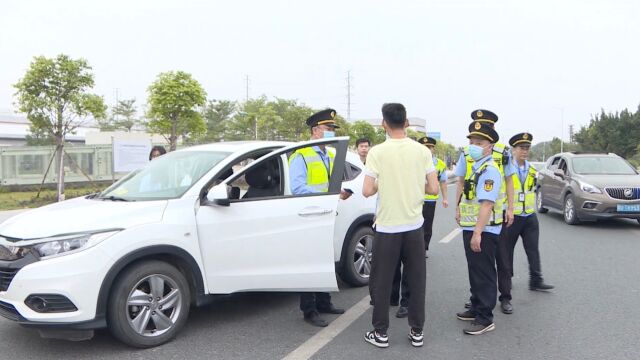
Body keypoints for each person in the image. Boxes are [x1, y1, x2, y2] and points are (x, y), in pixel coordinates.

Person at [362, 103, 438, 348]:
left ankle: (381, 333)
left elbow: (366, 190)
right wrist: (415, 186)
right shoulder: (422, 151)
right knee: (416, 281)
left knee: (382, 282)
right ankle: (417, 332)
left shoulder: (377, 152)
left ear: (384, 123)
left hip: (387, 228)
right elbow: (433, 188)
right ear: (406, 122)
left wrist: (383, 184)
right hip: (414, 227)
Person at [289, 108, 351, 328]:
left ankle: (324, 302)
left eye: (333, 129)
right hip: (308, 215)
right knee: (309, 262)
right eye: (328, 129)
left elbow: (331, 183)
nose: (331, 132)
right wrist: (328, 195)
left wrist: (340, 192)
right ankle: (309, 309)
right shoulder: (301, 154)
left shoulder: (331, 154)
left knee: (325, 258)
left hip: (325, 215)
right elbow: (297, 187)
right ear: (315, 131)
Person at [455, 109, 515, 310]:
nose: (474, 145)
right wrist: (458, 207)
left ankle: (504, 298)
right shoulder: (467, 152)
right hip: (475, 217)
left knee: (502, 261)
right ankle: (478, 301)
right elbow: (462, 182)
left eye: (487, 126)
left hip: (495, 215)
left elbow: (509, 181)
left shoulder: (501, 153)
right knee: (478, 266)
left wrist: (511, 208)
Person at [390, 136, 448, 319]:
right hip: (396, 216)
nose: (427, 150)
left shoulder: (432, 165)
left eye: (430, 147)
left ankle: (406, 302)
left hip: (416, 216)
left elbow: (434, 188)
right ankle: (391, 297)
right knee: (393, 261)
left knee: (410, 263)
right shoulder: (402, 162)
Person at [455, 121, 503, 335]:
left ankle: (485, 317)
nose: (473, 145)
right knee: (474, 270)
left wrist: (477, 233)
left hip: (484, 230)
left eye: (479, 142)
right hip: (472, 227)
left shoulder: (490, 170)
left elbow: (487, 204)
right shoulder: (477, 166)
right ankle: (476, 307)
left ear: (490, 145)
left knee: (484, 273)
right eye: (471, 141)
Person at [498, 133, 554, 314]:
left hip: (529, 216)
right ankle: (508, 281)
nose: (525, 151)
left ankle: (536, 279)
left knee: (533, 248)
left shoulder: (532, 170)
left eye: (527, 148)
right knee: (507, 252)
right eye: (521, 148)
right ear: (513, 150)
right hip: (511, 216)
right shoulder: (505, 168)